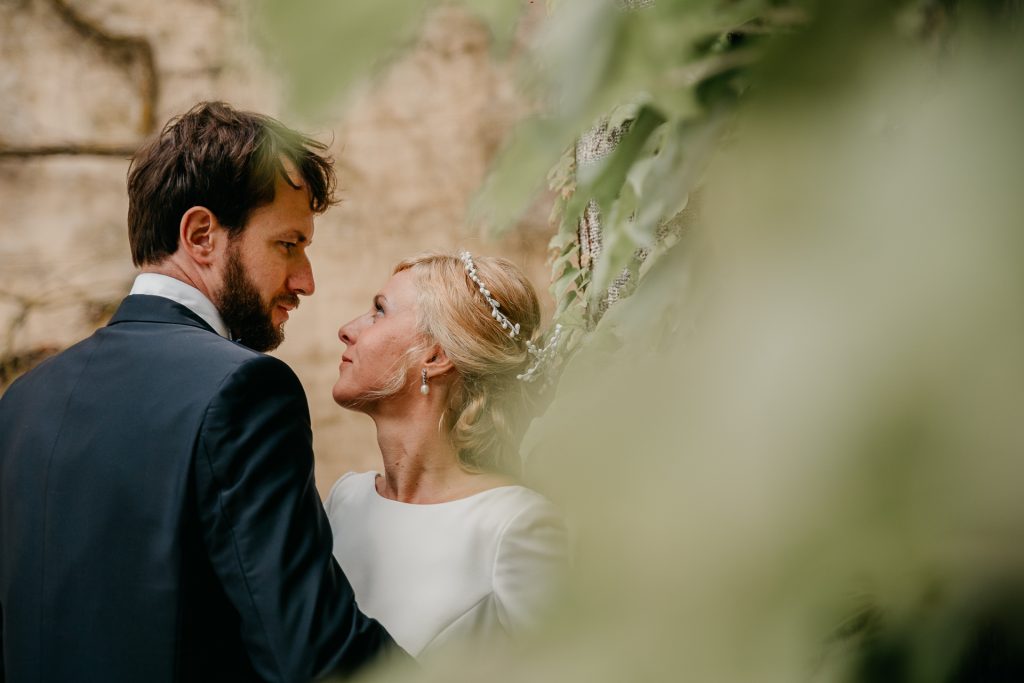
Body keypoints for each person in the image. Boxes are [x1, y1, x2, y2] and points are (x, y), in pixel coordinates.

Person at [0, 102, 402, 682]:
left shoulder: (21, 402)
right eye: (288, 244)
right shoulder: (243, 391)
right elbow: (311, 651)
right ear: (201, 235)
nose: (306, 280)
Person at [325, 251, 569, 659]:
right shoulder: (344, 500)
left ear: (436, 357)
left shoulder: (514, 525)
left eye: (379, 311)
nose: (347, 330)